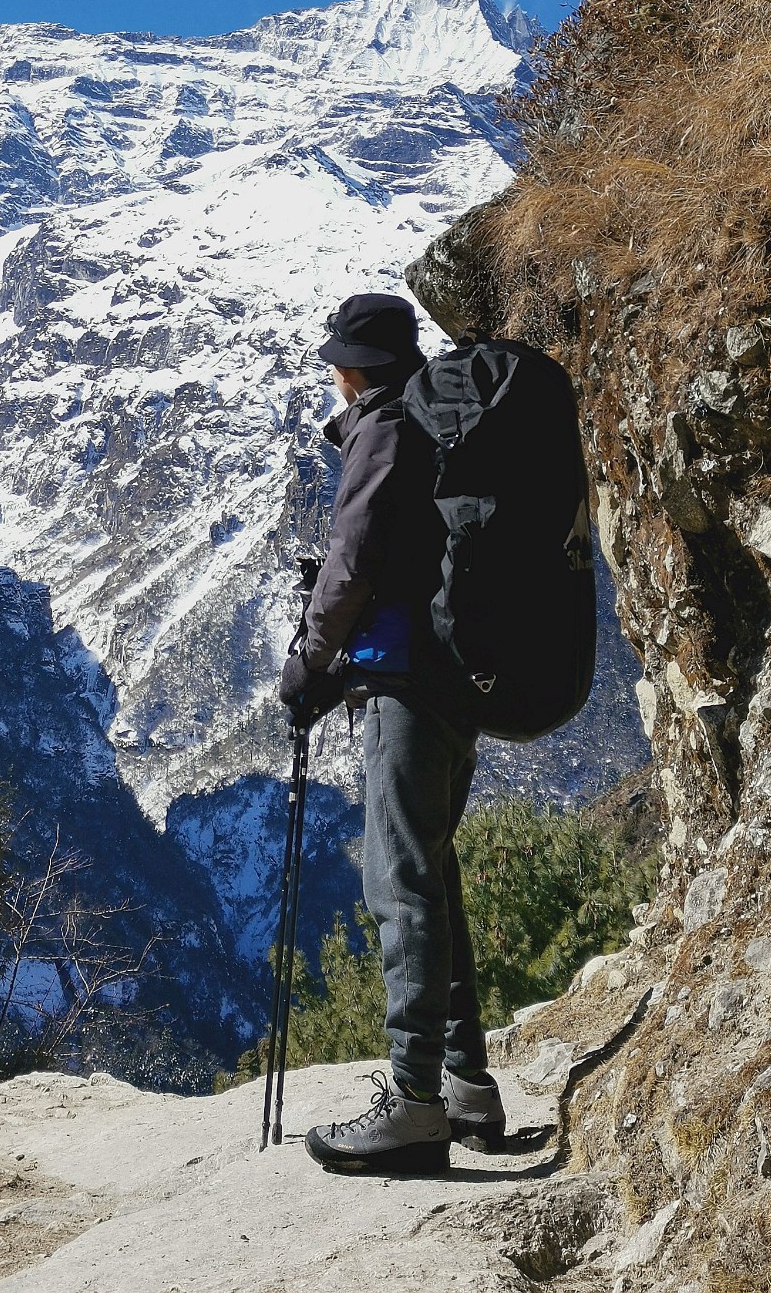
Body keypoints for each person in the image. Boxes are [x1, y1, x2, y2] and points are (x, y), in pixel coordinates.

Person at [278, 291, 506, 1176]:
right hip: (453, 675)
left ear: (350, 368)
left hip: (406, 682)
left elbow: (356, 555)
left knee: (400, 885)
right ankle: (465, 1091)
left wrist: (310, 657)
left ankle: (414, 1107)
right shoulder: (436, 421)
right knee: (433, 876)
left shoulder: (382, 429)